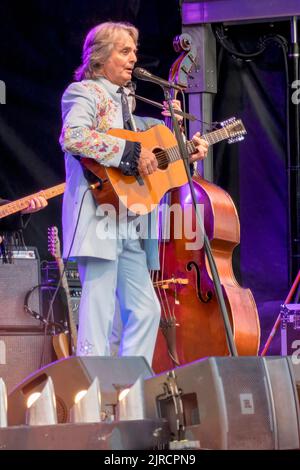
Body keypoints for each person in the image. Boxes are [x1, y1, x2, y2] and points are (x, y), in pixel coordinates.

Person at [59, 21, 209, 366]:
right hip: (98, 213)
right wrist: (129, 154)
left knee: (145, 308)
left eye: (134, 51)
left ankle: (132, 389)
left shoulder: (128, 102)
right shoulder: (84, 93)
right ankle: (94, 393)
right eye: (124, 51)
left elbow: (152, 155)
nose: (133, 58)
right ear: (99, 58)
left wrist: (187, 153)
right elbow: (74, 137)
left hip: (128, 218)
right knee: (99, 311)